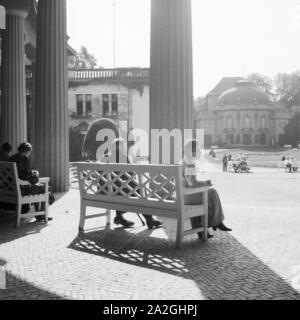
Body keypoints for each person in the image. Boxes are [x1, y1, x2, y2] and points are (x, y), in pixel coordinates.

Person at [100, 138, 163, 230]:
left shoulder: (104, 157)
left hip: (104, 192)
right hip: (117, 192)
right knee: (140, 191)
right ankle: (149, 219)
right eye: (125, 146)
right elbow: (131, 176)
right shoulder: (123, 157)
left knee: (120, 187)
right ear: (122, 147)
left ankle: (119, 217)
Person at [182, 139, 232, 239]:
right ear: (192, 152)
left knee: (205, 195)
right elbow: (193, 184)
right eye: (199, 150)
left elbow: (190, 183)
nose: (201, 152)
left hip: (184, 196)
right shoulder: (190, 165)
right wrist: (206, 183)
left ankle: (202, 229)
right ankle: (216, 222)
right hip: (188, 197)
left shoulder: (184, 162)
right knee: (212, 192)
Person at [11, 143, 53, 221]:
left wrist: (32, 173)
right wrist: (36, 174)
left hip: (12, 188)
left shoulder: (12, 158)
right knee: (46, 188)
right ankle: (42, 215)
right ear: (27, 151)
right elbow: (28, 176)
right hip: (23, 189)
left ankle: (39, 215)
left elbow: (22, 173)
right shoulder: (24, 159)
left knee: (38, 187)